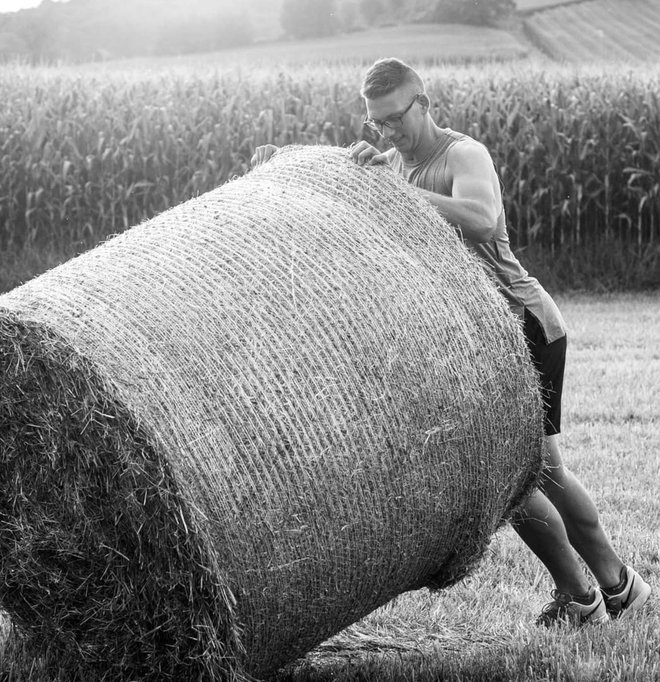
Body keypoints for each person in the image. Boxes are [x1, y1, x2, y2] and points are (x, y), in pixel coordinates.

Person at [250, 57, 651, 627]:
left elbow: (482, 220)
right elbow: (350, 189)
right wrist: (296, 163)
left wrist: (395, 195)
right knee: (509, 479)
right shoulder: (389, 165)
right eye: (375, 124)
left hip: (523, 324)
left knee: (540, 471)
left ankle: (617, 587)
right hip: (470, 342)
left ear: (424, 104)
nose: (387, 133)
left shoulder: (462, 154)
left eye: (394, 119)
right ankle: (579, 594)